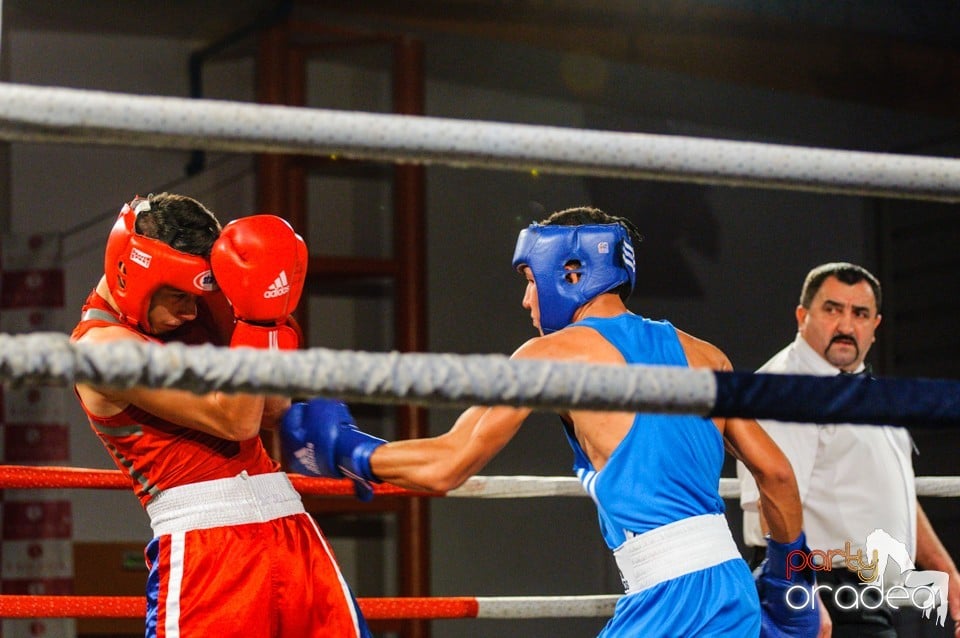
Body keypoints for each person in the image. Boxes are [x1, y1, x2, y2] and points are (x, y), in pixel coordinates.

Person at [281, 206, 819, 637]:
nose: (525, 299)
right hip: (731, 593)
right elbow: (777, 475)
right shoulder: (705, 355)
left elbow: (448, 464)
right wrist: (794, 591)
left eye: (529, 279)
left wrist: (350, 450)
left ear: (571, 273)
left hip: (670, 602)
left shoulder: (551, 355)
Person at [70, 193, 371, 638]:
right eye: (178, 296)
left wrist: (269, 312)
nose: (190, 311)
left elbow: (272, 409)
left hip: (290, 527)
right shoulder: (100, 350)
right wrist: (257, 323)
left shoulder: (195, 312)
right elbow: (235, 420)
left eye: (197, 296)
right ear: (130, 273)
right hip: (206, 550)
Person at [736, 262, 960, 637]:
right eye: (832, 309)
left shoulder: (868, 393)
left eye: (859, 313)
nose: (845, 325)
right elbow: (771, 496)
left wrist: (948, 574)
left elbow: (894, 492)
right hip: (817, 584)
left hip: (867, 592)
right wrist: (802, 595)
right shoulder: (785, 387)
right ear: (802, 316)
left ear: (875, 325)